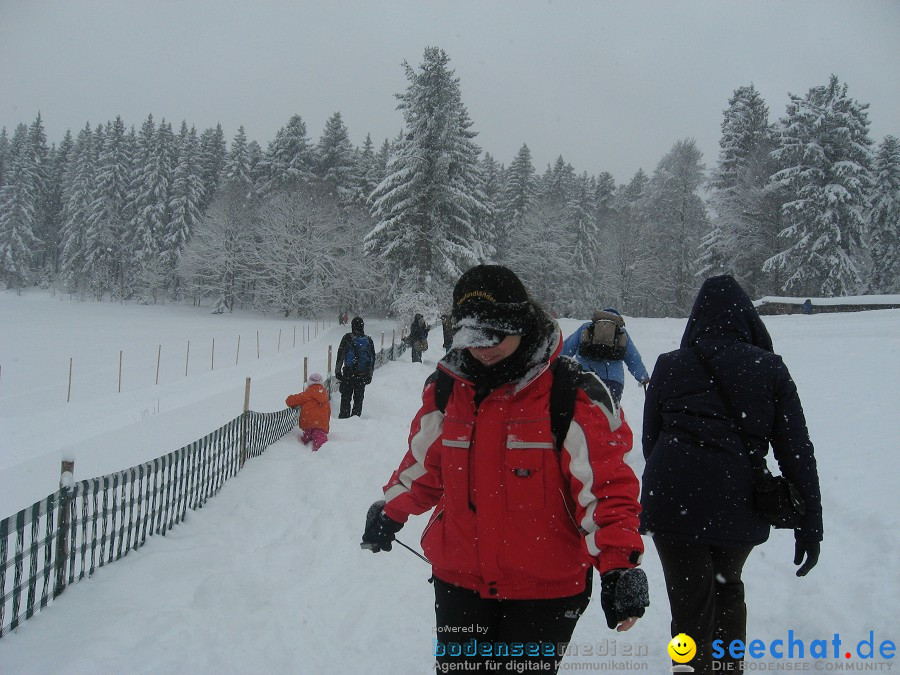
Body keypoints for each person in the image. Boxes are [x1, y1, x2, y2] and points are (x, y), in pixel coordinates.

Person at [361, 264, 648, 674]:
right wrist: (391, 510)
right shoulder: (446, 388)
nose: (483, 348)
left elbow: (607, 488)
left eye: (494, 336)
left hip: (546, 591)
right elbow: (425, 465)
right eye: (473, 337)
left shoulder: (573, 394)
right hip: (461, 581)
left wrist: (619, 564)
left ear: (523, 323)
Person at [639, 275, 823, 674]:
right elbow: (796, 452)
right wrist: (810, 524)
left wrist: (675, 480)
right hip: (738, 502)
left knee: (689, 604)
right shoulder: (769, 368)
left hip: (673, 501)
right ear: (749, 319)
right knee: (728, 589)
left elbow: (650, 441)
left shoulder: (670, 364)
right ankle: (726, 669)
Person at [560, 308, 649, 405]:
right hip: (613, 381)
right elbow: (633, 358)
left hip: (585, 378)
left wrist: (555, 365)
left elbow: (566, 348)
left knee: (583, 411)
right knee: (610, 414)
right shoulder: (621, 333)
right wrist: (643, 376)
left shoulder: (586, 328)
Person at [334, 316, 376, 418]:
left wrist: (338, 372)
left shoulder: (347, 338)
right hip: (362, 374)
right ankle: (356, 419)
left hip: (349, 373)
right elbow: (372, 359)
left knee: (346, 397)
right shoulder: (368, 341)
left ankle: (344, 418)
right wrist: (369, 375)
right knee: (358, 398)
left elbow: (340, 356)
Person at [284, 372, 331, 451]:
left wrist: (289, 399)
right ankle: (321, 451)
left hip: (308, 422)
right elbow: (328, 411)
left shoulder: (307, 394)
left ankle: (305, 445)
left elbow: (290, 401)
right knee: (320, 439)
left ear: (309, 383)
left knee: (307, 438)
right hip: (321, 424)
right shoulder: (325, 396)